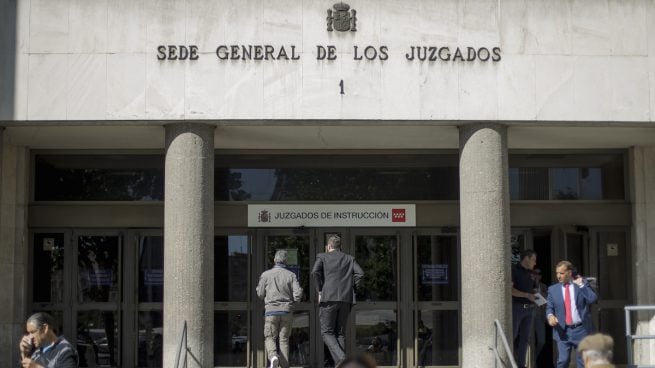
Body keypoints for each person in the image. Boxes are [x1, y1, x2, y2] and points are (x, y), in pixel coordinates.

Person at [311, 235, 364, 367]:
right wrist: (353, 288)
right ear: (340, 247)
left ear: (329, 246)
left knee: (327, 332)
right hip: (346, 299)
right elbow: (360, 274)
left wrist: (319, 291)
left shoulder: (322, 257)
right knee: (339, 333)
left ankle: (342, 359)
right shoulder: (349, 258)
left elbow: (315, 272)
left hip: (328, 298)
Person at [546, 260, 598, 368]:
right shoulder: (552, 289)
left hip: (581, 330)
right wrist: (550, 316)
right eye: (557, 273)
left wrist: (581, 285)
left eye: (561, 273)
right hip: (563, 330)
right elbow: (549, 307)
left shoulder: (580, 284)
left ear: (569, 273)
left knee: (582, 362)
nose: (558, 276)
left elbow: (592, 299)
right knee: (563, 361)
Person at [256, 250, 303, 368]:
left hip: (271, 311)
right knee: (284, 340)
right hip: (286, 311)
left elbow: (260, 294)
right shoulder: (291, 275)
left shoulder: (265, 275)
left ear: (274, 260)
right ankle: (284, 365)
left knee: (270, 337)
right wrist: (295, 301)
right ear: (286, 261)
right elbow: (298, 293)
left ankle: (273, 356)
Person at [511, 249, 537, 368]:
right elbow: (510, 291)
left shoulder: (531, 273)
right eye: (533, 260)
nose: (535, 263)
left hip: (530, 309)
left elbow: (533, 289)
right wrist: (527, 295)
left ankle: (521, 365)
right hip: (517, 308)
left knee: (525, 339)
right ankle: (509, 362)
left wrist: (536, 294)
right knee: (513, 336)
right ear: (526, 259)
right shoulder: (514, 270)